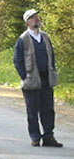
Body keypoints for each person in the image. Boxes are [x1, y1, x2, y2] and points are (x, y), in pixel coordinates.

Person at [13, 9, 63, 147]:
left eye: (37, 17)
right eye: (34, 18)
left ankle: (48, 137)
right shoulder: (22, 39)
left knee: (48, 109)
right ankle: (35, 137)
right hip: (32, 81)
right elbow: (17, 61)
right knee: (32, 110)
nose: (37, 19)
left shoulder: (45, 37)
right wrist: (25, 77)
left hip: (46, 78)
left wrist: (52, 70)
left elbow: (51, 56)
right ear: (28, 22)